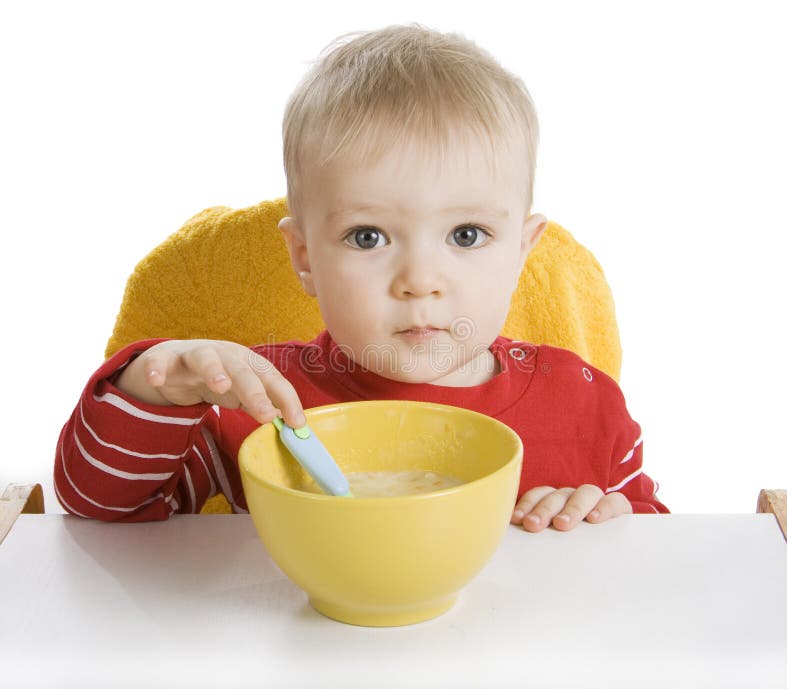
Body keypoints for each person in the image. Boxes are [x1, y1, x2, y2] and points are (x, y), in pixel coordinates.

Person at [54, 24, 668, 530]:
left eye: (467, 235)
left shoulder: (587, 406)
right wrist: (152, 387)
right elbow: (105, 509)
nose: (420, 281)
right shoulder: (262, 405)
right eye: (368, 237)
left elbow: (656, 543)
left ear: (523, 252)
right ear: (304, 259)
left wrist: (610, 519)